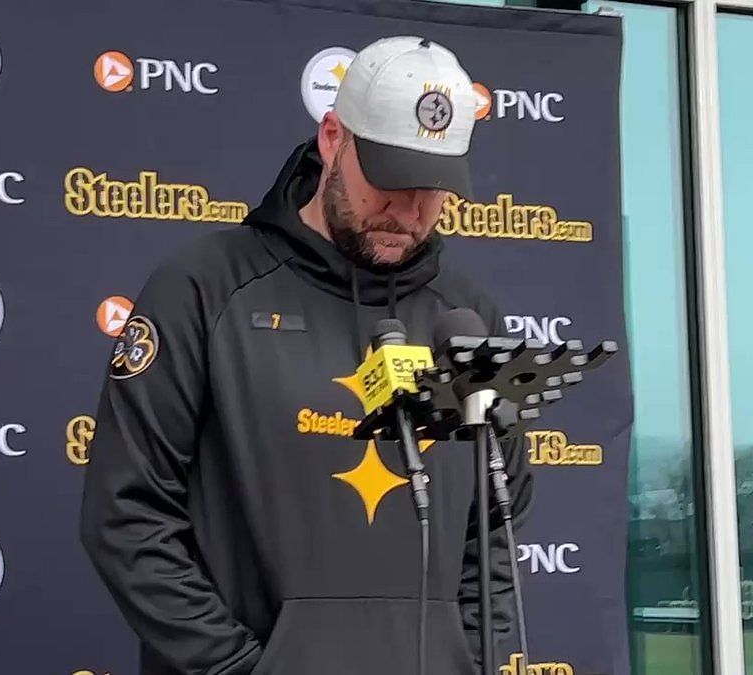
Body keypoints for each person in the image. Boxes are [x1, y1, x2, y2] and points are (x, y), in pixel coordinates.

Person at [80, 36, 533, 675]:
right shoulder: (204, 288)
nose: (407, 210)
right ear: (331, 139)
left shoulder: (467, 319)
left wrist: (470, 658)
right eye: (388, 178)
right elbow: (127, 515)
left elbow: (496, 524)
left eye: (432, 188)